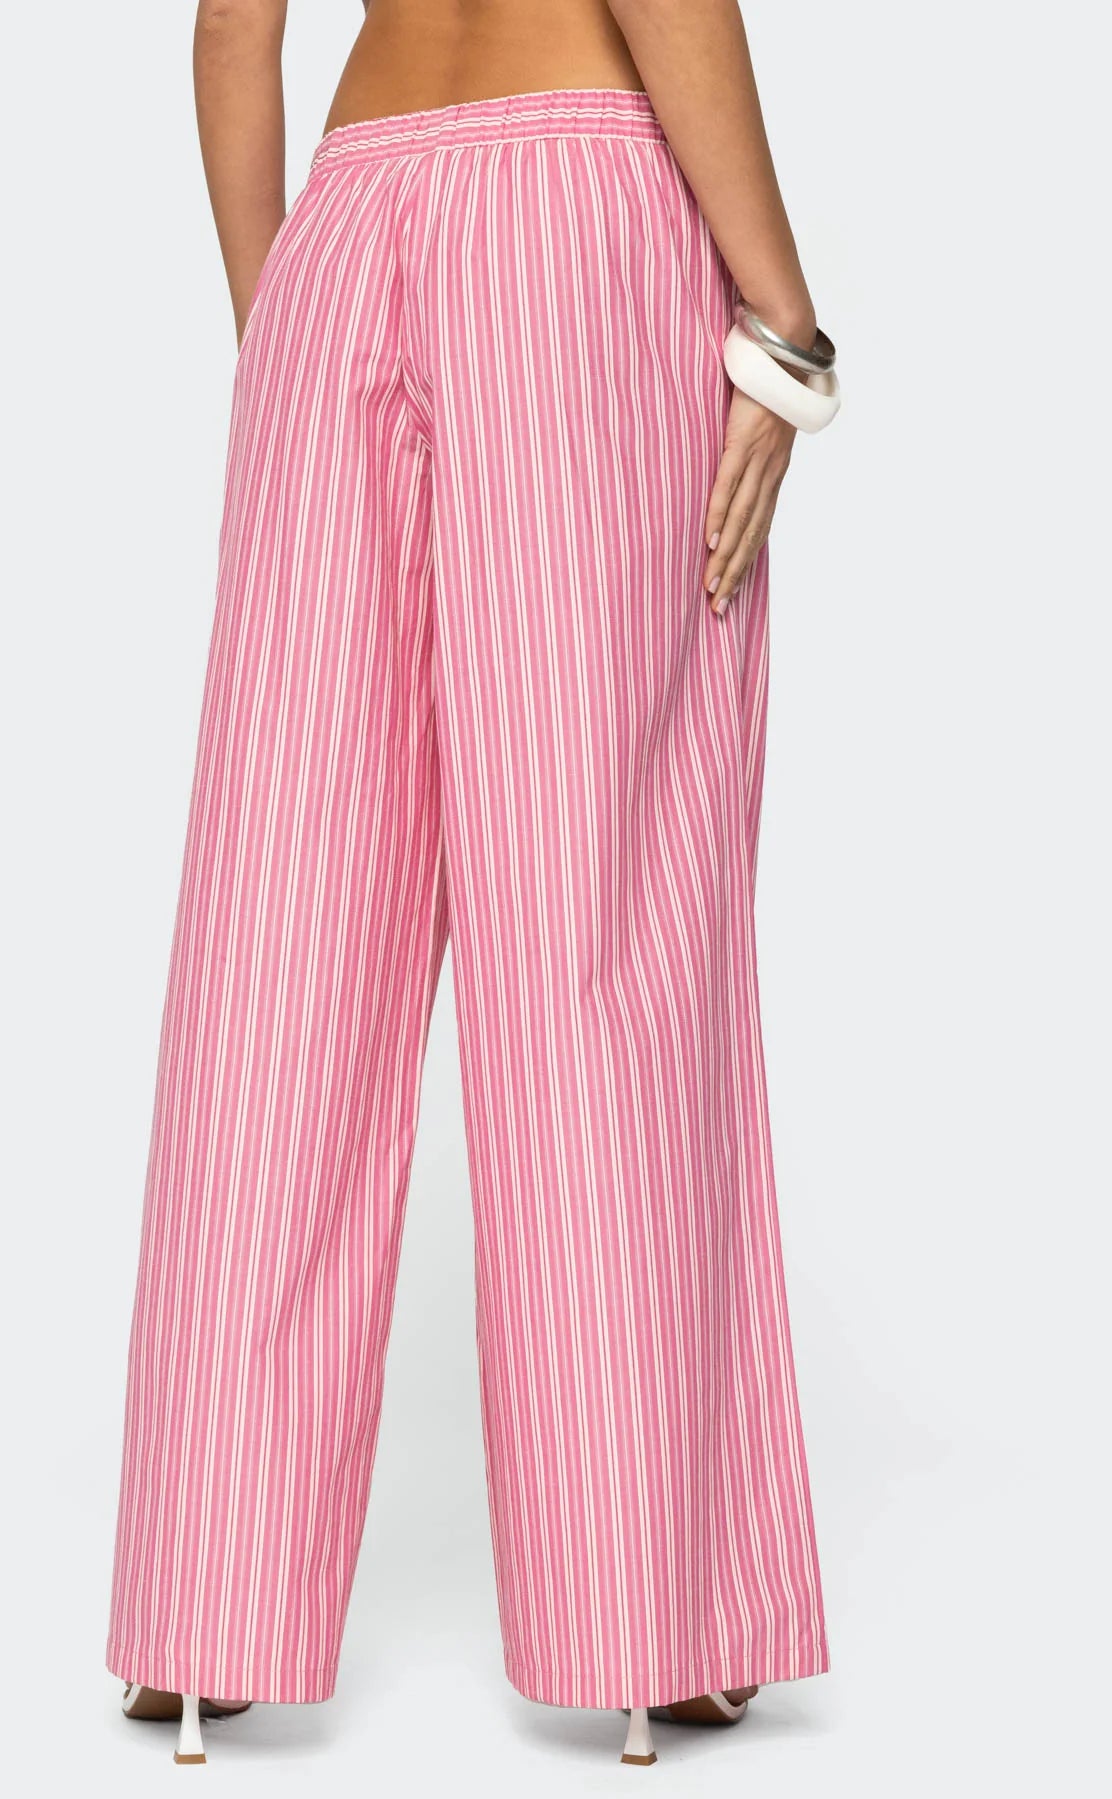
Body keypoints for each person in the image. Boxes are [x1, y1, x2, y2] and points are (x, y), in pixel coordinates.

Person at [107, 0, 836, 1769]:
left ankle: (200, 1616)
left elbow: (233, 29)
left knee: (283, 933)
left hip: (346, 220)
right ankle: (647, 1620)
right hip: (573, 222)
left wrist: (283, 338)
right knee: (601, 919)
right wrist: (786, 329)